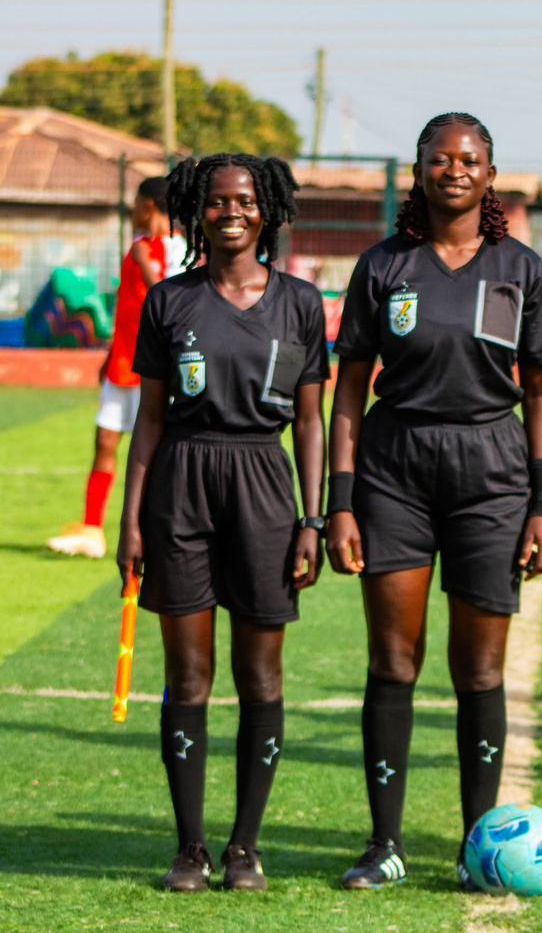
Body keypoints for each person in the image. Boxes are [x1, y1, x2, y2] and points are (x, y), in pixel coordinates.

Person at [326, 113, 542, 891]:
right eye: (440, 158)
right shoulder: (383, 265)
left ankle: (476, 844)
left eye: (470, 160)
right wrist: (342, 501)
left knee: (479, 670)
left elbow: (538, 391)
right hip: (395, 469)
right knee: (393, 659)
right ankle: (383, 842)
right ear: (420, 170)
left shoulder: (521, 269)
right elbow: (350, 392)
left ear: (491, 174)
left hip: (491, 473)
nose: (454, 170)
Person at [116, 154, 328, 892]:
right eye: (215, 202)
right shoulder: (170, 300)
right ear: (196, 212)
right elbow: (147, 421)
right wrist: (131, 519)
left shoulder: (300, 302)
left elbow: (310, 420)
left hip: (265, 486)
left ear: (266, 210)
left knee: (260, 676)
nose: (230, 212)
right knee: (189, 675)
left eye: (243, 201)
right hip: (181, 481)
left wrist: (313, 517)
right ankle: (190, 848)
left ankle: (245, 847)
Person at [48, 177, 177, 559]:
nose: (132, 211)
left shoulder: (176, 247)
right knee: (104, 440)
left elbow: (169, 303)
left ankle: (156, 532)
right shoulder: (137, 247)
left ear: (150, 206)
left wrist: (146, 266)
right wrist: (110, 355)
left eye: (136, 204)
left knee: (153, 452)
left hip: (153, 370)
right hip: (122, 363)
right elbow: (128, 308)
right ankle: (92, 530)